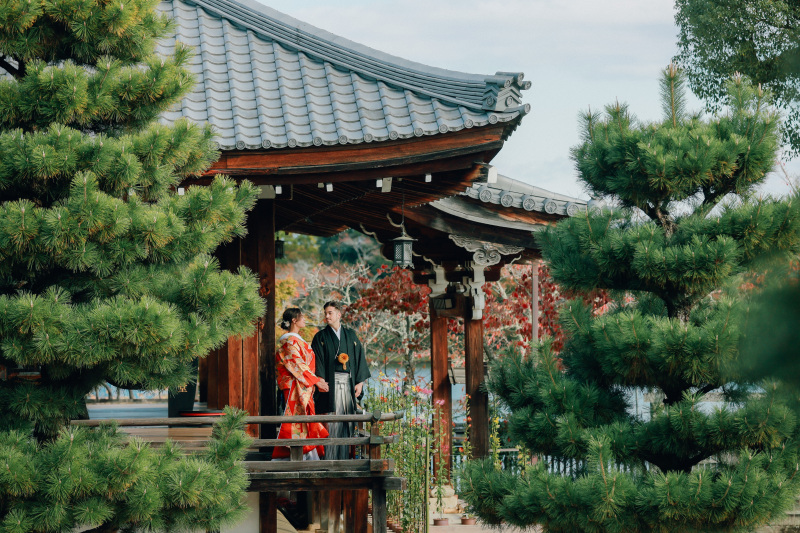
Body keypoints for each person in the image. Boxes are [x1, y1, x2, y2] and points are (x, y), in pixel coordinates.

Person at [311, 301, 371, 460]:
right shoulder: (321, 337)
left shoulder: (350, 335)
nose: (327, 316)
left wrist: (360, 382)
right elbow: (317, 360)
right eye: (325, 313)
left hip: (349, 383)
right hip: (331, 384)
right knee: (333, 419)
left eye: (330, 313)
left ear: (339, 314)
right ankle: (330, 458)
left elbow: (359, 358)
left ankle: (348, 456)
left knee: (348, 419)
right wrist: (320, 380)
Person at [273, 308, 329, 460]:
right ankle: (292, 457)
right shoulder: (288, 341)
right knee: (295, 422)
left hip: (303, 386)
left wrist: (315, 380)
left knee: (305, 420)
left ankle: (308, 456)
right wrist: (316, 381)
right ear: (294, 320)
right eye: (302, 317)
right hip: (293, 387)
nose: (305, 319)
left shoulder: (296, 340)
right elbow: (297, 364)